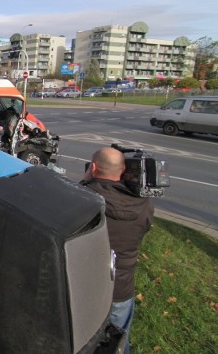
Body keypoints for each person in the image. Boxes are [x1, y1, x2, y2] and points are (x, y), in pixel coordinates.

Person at [81, 147, 154, 354]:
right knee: (119, 343)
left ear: (93, 167)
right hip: (122, 288)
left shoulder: (85, 199)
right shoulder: (144, 203)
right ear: (123, 171)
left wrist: (86, 180)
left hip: (89, 290)